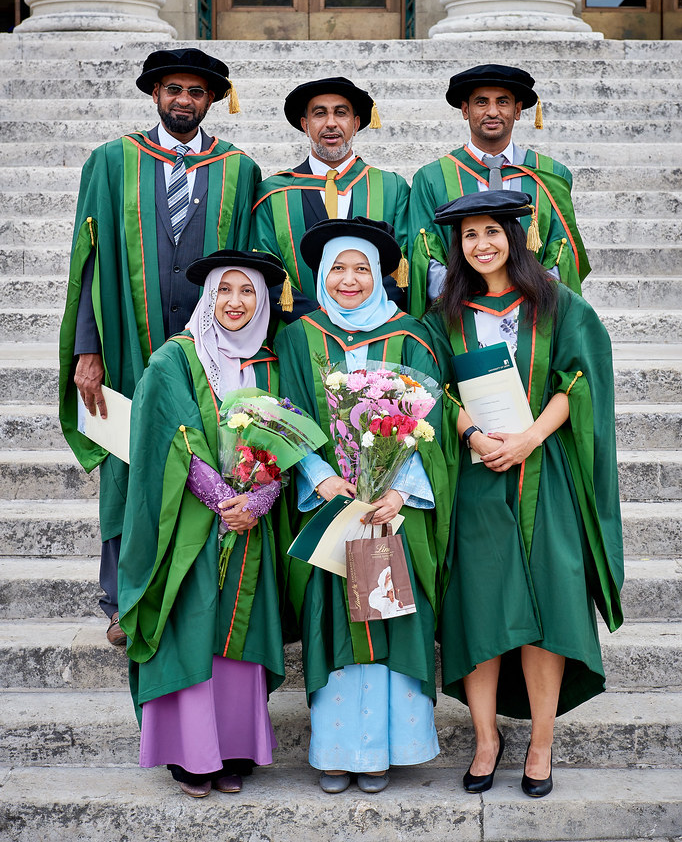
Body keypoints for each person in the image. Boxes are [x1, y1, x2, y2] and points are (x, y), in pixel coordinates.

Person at [423, 191, 623, 798]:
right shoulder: (446, 315)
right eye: (469, 235)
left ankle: (541, 744)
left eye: (492, 231)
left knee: (548, 606)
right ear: (457, 247)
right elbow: (432, 388)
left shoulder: (557, 304)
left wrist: (531, 437)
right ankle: (486, 740)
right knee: (479, 607)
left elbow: (578, 381)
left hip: (544, 474)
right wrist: (476, 437)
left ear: (514, 236)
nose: (481, 244)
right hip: (478, 475)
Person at [58, 48, 260, 645]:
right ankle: (121, 598)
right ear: (155, 95)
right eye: (173, 89)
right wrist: (88, 349)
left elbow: (246, 268)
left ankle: (193, 590)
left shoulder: (238, 169)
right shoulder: (111, 161)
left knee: (204, 457)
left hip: (207, 349)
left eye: (196, 91)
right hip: (127, 341)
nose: (183, 100)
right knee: (127, 462)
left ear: (212, 99)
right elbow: (88, 261)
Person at [275, 216, 450, 794]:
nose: (348, 280)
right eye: (337, 269)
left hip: (394, 512)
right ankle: (336, 750)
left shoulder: (412, 337)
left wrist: (399, 490)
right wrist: (321, 477)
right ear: (321, 276)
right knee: (333, 619)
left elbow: (431, 426)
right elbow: (290, 414)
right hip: (332, 507)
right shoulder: (300, 337)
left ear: (379, 275)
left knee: (391, 615)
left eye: (360, 269)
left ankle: (385, 750)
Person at [117, 249, 287, 798]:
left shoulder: (270, 361)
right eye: (224, 290)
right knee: (192, 627)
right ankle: (192, 754)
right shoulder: (176, 358)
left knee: (237, 634)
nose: (235, 302)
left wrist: (261, 498)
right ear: (208, 296)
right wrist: (223, 499)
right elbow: (172, 436)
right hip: (191, 524)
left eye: (248, 292)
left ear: (262, 301)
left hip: (248, 526)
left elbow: (289, 439)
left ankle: (232, 748)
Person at [408, 64, 590, 316]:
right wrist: (470, 301)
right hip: (459, 312)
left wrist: (530, 297)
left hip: (533, 311)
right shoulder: (432, 178)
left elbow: (561, 252)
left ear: (517, 110)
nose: (492, 111)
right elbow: (425, 256)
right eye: (481, 102)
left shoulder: (551, 175)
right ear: (465, 110)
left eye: (502, 102)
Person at [251, 77, 410, 322]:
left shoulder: (392, 188)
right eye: (320, 113)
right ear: (305, 125)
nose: (331, 123)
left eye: (341, 113)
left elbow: (403, 262)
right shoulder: (274, 193)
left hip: (377, 328)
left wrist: (363, 317)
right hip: (301, 330)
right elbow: (266, 266)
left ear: (356, 124)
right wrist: (317, 323)